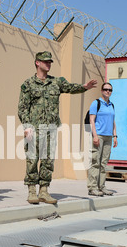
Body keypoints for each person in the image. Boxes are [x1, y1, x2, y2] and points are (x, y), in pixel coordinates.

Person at [18, 51, 97, 204]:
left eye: (50, 62)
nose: (48, 64)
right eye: (45, 61)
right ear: (37, 63)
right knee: (32, 160)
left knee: (48, 161)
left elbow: (70, 87)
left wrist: (84, 87)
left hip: (50, 129)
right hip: (33, 129)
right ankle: (32, 191)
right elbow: (22, 108)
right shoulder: (28, 84)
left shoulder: (56, 82)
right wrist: (27, 126)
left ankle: (44, 191)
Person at [87, 82, 117, 196]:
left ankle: (102, 186)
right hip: (98, 135)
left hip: (108, 137)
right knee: (95, 162)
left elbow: (113, 122)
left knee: (104, 163)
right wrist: (95, 135)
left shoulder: (111, 105)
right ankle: (92, 187)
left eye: (110, 90)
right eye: (105, 89)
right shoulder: (96, 103)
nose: (108, 91)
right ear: (102, 90)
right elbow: (91, 121)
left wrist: (115, 136)